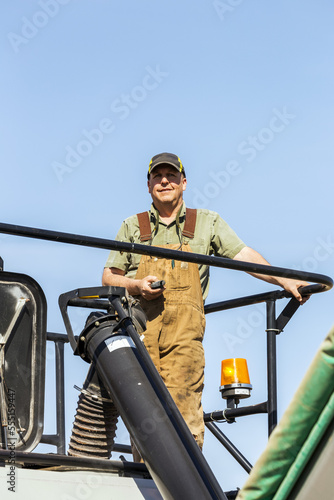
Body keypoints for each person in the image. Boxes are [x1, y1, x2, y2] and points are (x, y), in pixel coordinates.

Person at [102, 152, 308, 454]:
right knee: (142, 417)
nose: (164, 181)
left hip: (184, 340)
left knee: (184, 412)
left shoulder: (206, 223)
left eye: (171, 175)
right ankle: (148, 485)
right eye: (157, 177)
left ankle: (186, 485)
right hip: (139, 335)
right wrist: (135, 285)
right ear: (148, 186)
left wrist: (283, 279)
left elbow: (243, 256)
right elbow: (109, 277)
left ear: (183, 182)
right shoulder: (133, 226)